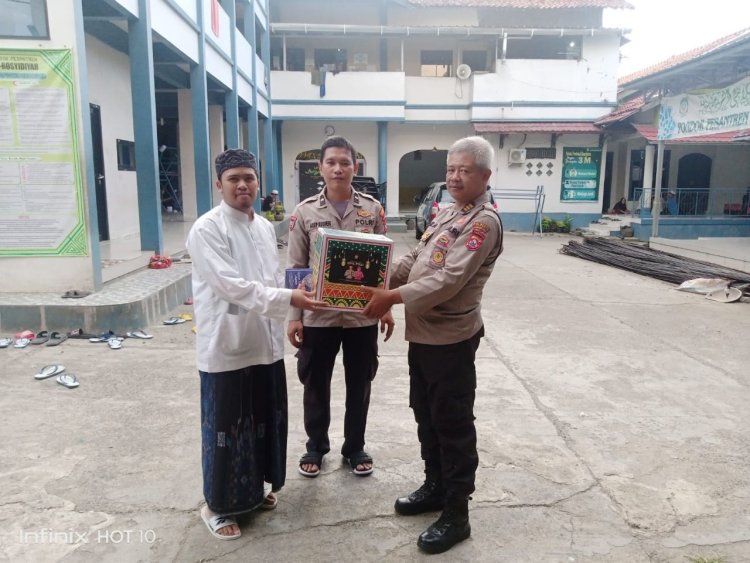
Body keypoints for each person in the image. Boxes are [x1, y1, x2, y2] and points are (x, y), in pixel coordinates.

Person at [362, 135, 504, 554]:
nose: (455, 177)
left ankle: (457, 514)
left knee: (453, 422)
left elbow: (447, 280)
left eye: (464, 170)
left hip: (451, 338)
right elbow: (417, 261)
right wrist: (375, 280)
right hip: (423, 335)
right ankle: (436, 486)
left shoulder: (482, 222)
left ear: (484, 176)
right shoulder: (448, 213)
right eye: (451, 170)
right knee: (425, 412)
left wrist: (390, 298)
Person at [186, 149, 326, 541]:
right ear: (219, 184)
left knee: (264, 421)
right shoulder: (207, 229)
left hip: (264, 343)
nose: (243, 185)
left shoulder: (265, 227)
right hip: (227, 345)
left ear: (258, 182)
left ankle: (256, 489)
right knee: (226, 429)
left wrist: (293, 292)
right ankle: (216, 505)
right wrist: (290, 301)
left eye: (249, 177)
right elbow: (231, 286)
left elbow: (269, 277)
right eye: (234, 179)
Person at [287, 135, 394, 479]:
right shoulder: (304, 212)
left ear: (355, 167)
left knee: (359, 384)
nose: (338, 168)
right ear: (321, 167)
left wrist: (387, 306)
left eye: (344, 162)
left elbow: (383, 266)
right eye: (331, 162)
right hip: (318, 315)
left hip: (362, 316)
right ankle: (315, 446)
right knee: (315, 385)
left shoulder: (372, 210)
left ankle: (355, 446)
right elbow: (296, 267)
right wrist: (294, 316)